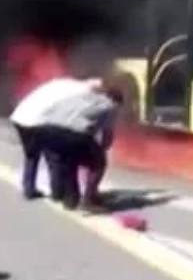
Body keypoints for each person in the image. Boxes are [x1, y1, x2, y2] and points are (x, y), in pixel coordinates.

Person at [10, 75, 120, 213]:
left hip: (29, 118)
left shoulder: (70, 88)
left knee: (63, 161)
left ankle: (68, 199)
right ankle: (83, 199)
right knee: (95, 163)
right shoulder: (103, 101)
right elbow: (104, 133)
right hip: (43, 121)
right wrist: (99, 149)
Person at [3, 36, 70, 201]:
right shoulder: (63, 89)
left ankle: (29, 189)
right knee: (52, 156)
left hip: (21, 118)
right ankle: (57, 194)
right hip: (36, 121)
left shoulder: (46, 87)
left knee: (32, 156)